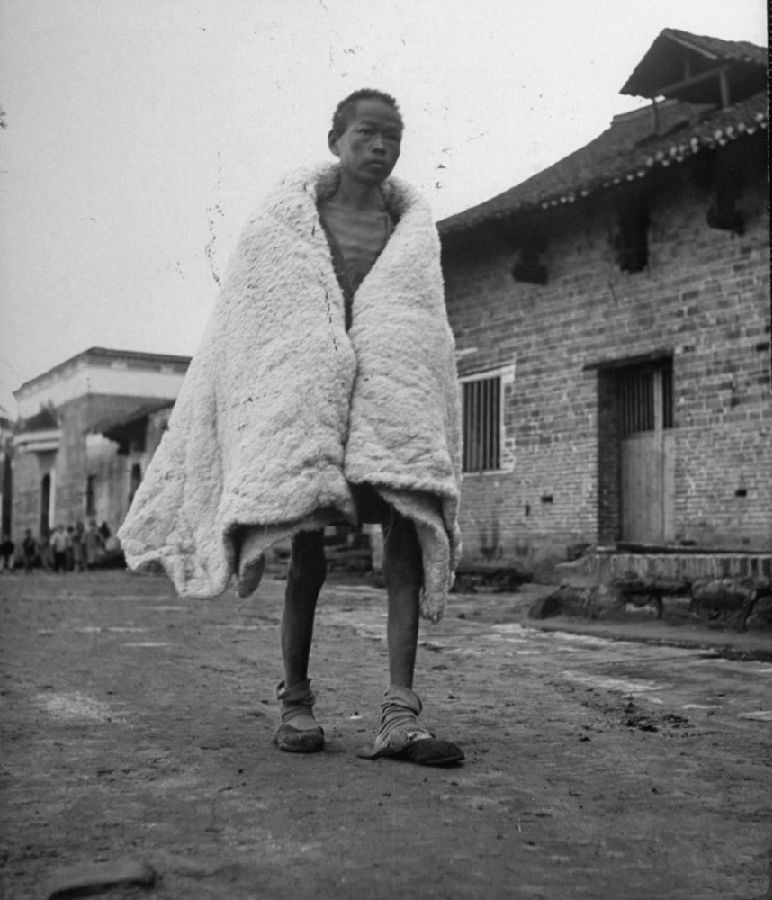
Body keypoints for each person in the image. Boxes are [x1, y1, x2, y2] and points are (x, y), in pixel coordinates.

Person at [119, 89, 463, 767]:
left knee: (404, 542)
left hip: (385, 411)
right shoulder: (283, 223)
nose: (381, 146)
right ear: (336, 140)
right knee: (308, 556)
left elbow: (421, 327)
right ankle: (296, 705)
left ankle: (399, 715)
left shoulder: (410, 229)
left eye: (393, 136)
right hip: (311, 413)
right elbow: (251, 325)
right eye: (366, 133)